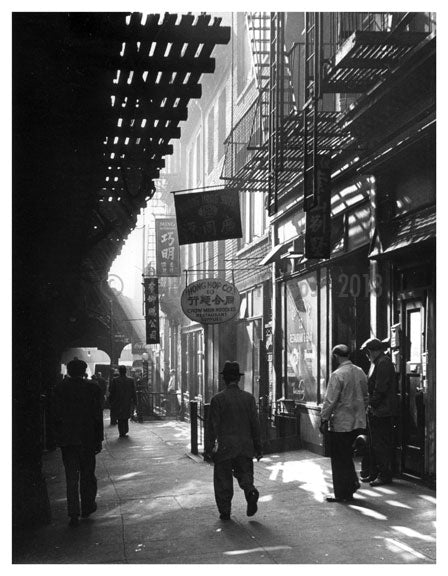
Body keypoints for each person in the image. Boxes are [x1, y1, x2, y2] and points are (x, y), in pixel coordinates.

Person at [205, 361, 263, 521]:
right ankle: (250, 490)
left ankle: (225, 511)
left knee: (223, 480)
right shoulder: (249, 399)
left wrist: (209, 449)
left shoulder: (217, 400)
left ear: (224, 379)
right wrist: (258, 448)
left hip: (225, 447)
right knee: (245, 474)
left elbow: (211, 428)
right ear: (238, 379)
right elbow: (255, 425)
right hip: (245, 446)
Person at [53, 359, 104, 526]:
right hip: (87, 438)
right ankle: (87, 507)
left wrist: (56, 438)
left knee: (71, 477)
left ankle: (73, 512)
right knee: (88, 475)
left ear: (68, 371)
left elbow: (55, 415)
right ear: (84, 372)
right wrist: (99, 438)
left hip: (68, 440)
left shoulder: (59, 388)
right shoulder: (93, 388)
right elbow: (97, 415)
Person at [320, 345, 369, 503]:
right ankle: (352, 483)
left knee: (340, 458)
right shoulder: (360, 371)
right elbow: (366, 395)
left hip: (341, 423)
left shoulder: (337, 374)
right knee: (348, 455)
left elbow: (330, 400)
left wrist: (324, 418)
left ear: (336, 356)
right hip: (358, 422)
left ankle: (342, 493)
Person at [360, 337, 397, 486]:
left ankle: (384, 475)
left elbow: (380, 388)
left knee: (380, 444)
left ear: (371, 352)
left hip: (382, 411)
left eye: (367, 354)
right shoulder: (377, 362)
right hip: (378, 410)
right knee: (375, 443)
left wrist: (372, 404)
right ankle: (374, 472)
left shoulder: (383, 363)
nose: (367, 357)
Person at [108, 365, 137, 438]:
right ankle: (125, 430)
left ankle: (122, 432)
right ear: (126, 371)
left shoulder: (115, 380)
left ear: (119, 371)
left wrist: (110, 401)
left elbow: (111, 391)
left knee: (120, 417)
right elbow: (134, 392)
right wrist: (135, 401)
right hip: (127, 401)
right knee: (126, 416)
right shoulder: (131, 380)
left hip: (118, 401)